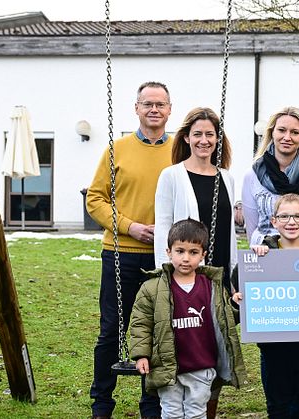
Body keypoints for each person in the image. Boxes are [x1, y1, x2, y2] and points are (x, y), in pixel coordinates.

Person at [86, 81, 173, 419]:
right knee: (112, 330)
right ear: (136, 108)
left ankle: (151, 404)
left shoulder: (179, 150)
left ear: (169, 109)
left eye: (160, 104)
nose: (154, 109)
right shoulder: (116, 150)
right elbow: (95, 199)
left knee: (155, 330)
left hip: (163, 256)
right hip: (120, 251)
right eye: (147, 103)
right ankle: (102, 404)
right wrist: (129, 226)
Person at [153, 106, 237, 418]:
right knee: (185, 349)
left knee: (214, 352)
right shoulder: (172, 175)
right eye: (197, 134)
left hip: (217, 279)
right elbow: (163, 227)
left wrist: (232, 280)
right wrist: (166, 278)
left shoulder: (226, 178)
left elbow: (229, 230)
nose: (204, 140)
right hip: (185, 277)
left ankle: (205, 412)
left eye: (210, 135)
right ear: (187, 137)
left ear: (218, 140)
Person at [130, 219, 246, 419]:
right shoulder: (152, 288)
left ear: (203, 255)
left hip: (201, 365)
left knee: (196, 413)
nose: (186, 258)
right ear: (169, 252)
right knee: (171, 413)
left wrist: (235, 305)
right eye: (180, 251)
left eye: (193, 252)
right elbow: (141, 324)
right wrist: (141, 354)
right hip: (168, 367)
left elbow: (224, 320)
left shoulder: (212, 287)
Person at [233, 194, 299, 419]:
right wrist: (253, 260)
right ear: (274, 221)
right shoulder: (262, 253)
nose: (291, 221)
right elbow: (238, 282)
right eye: (285, 216)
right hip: (275, 345)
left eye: (298, 216)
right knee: (278, 404)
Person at [242, 107, 299, 245]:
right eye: (282, 130)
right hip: (266, 256)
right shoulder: (252, 175)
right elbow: (252, 227)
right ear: (272, 133)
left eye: (295, 132)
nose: (287, 137)